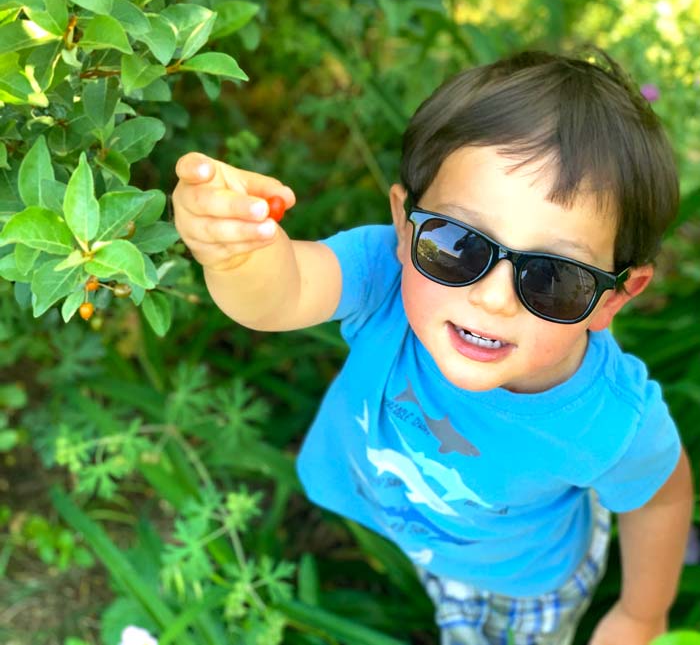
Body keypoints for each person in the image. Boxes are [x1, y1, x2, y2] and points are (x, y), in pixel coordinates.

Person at [172, 50, 694, 645]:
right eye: (457, 245)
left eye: (555, 280)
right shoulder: (383, 275)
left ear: (613, 300)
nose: (493, 299)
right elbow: (277, 295)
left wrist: (641, 614)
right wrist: (238, 254)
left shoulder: (611, 422)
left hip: (516, 582)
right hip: (408, 519)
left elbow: (660, 497)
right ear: (404, 225)